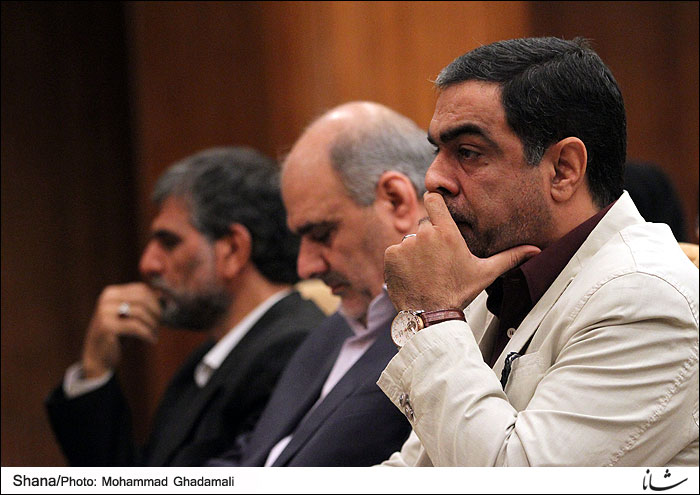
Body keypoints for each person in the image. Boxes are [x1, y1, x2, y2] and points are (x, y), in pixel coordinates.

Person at [380, 37, 699, 466]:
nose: (434, 178)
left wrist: (433, 314)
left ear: (564, 170)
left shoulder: (647, 299)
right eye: (438, 151)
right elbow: (416, 472)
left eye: (468, 153)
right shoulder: (502, 271)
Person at [45, 147, 326, 466]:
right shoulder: (208, 359)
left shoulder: (295, 351)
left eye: (169, 242)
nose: (148, 264)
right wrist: (95, 370)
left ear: (232, 250)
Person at [209, 101, 433, 466]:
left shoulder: (454, 327)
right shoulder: (332, 331)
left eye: (321, 233)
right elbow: (253, 457)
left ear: (396, 201)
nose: (305, 266)